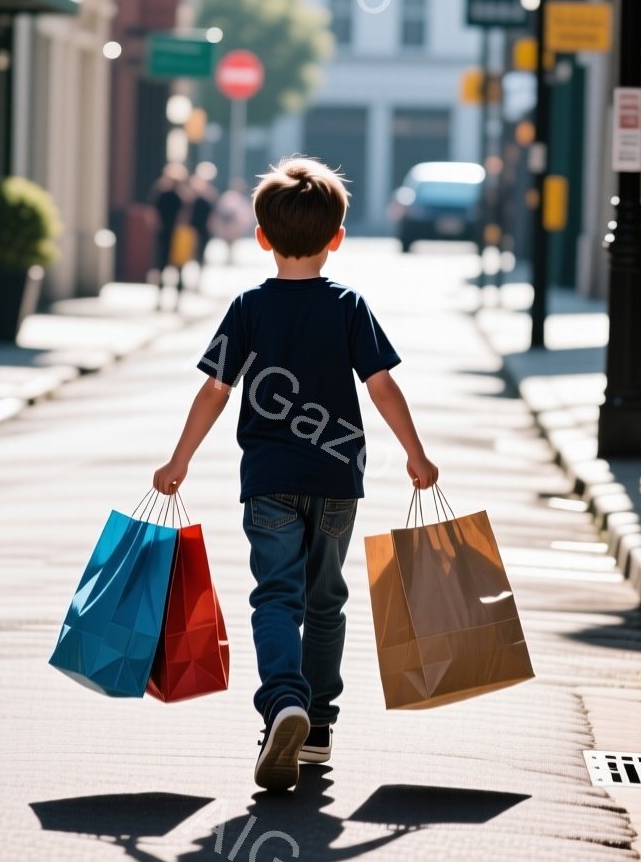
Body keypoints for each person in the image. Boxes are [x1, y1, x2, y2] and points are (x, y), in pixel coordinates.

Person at [151, 156, 440, 792]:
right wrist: (415, 454)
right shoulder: (348, 305)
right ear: (336, 238)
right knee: (326, 599)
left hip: (269, 480)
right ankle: (316, 726)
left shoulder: (250, 306)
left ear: (261, 237)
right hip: (338, 479)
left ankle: (283, 700)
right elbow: (383, 385)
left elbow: (215, 391)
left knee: (275, 596)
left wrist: (180, 460)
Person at [151, 163, 190, 310]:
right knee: (177, 268)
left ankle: (161, 301)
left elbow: (154, 216)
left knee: (162, 267)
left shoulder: (161, 193)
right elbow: (185, 216)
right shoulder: (182, 195)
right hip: (177, 234)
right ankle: (174, 302)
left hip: (166, 234)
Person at [210, 178, 258, 264]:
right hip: (228, 223)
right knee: (228, 241)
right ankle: (229, 256)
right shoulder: (229, 196)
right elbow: (222, 210)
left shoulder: (240, 198)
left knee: (232, 242)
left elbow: (245, 212)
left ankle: (230, 256)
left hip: (235, 224)